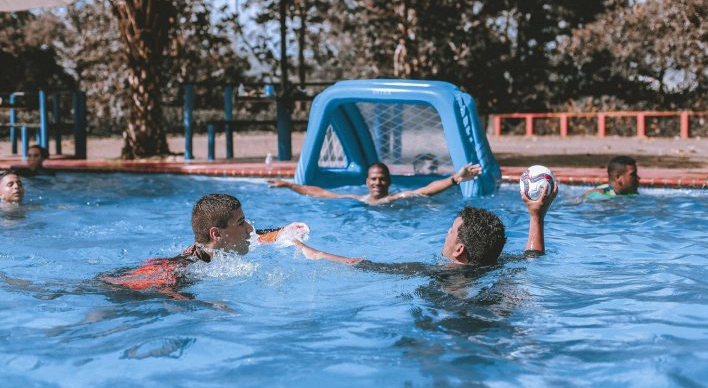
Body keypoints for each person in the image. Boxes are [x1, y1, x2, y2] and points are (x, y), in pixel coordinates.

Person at [293, 183, 558, 268]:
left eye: (451, 231)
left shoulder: (438, 275)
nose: (446, 233)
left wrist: (315, 252)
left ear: (459, 250)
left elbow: (365, 265)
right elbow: (533, 256)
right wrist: (537, 215)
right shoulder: (497, 264)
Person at [101, 193, 308, 297]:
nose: (249, 228)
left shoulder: (217, 249)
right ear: (216, 234)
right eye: (240, 223)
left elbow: (258, 235)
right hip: (121, 291)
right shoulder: (187, 268)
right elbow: (166, 294)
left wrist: (283, 231)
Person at [267, 162, 482, 205]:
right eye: (373, 179)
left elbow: (425, 190)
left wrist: (455, 178)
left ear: (388, 182)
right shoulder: (358, 199)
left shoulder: (397, 198)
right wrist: (288, 185)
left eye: (381, 179)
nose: (377, 182)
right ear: (367, 182)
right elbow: (319, 193)